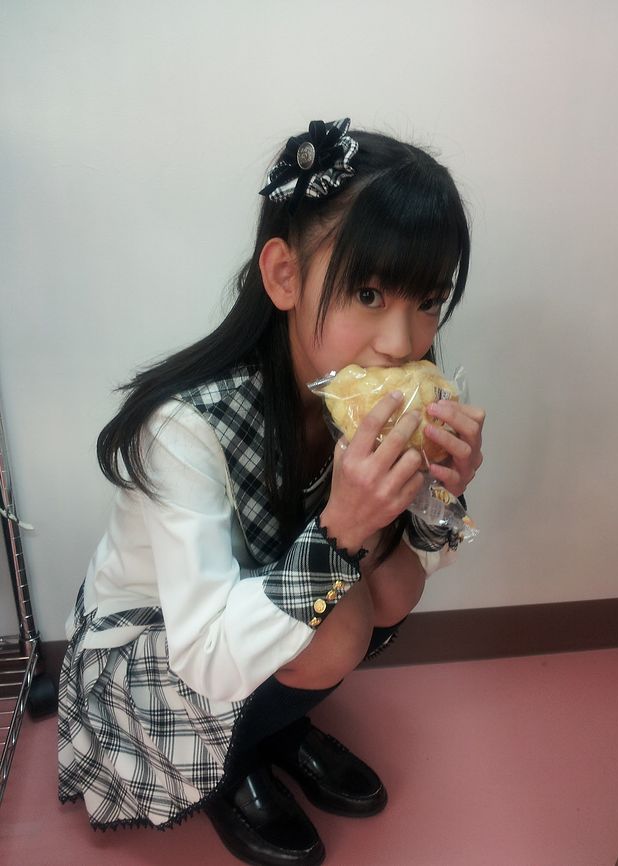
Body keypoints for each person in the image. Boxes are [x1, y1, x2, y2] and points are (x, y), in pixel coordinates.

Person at [58, 117, 485, 866]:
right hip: (155, 655)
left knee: (392, 586)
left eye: (427, 300)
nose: (401, 343)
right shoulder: (185, 428)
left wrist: (437, 492)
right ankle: (230, 765)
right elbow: (205, 655)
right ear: (285, 276)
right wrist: (342, 531)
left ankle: (277, 727)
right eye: (369, 292)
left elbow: (409, 569)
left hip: (252, 616)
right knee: (339, 623)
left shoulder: (349, 402)